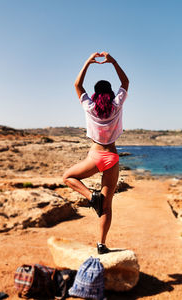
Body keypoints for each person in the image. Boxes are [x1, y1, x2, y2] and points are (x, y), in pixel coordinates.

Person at [63, 51, 129, 254]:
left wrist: (88, 62)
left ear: (95, 93)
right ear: (110, 93)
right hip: (112, 157)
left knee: (68, 177)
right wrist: (113, 62)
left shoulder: (89, 106)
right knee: (107, 205)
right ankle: (101, 244)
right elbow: (125, 82)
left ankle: (91, 197)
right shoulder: (116, 105)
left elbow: (77, 85)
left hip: (95, 156)